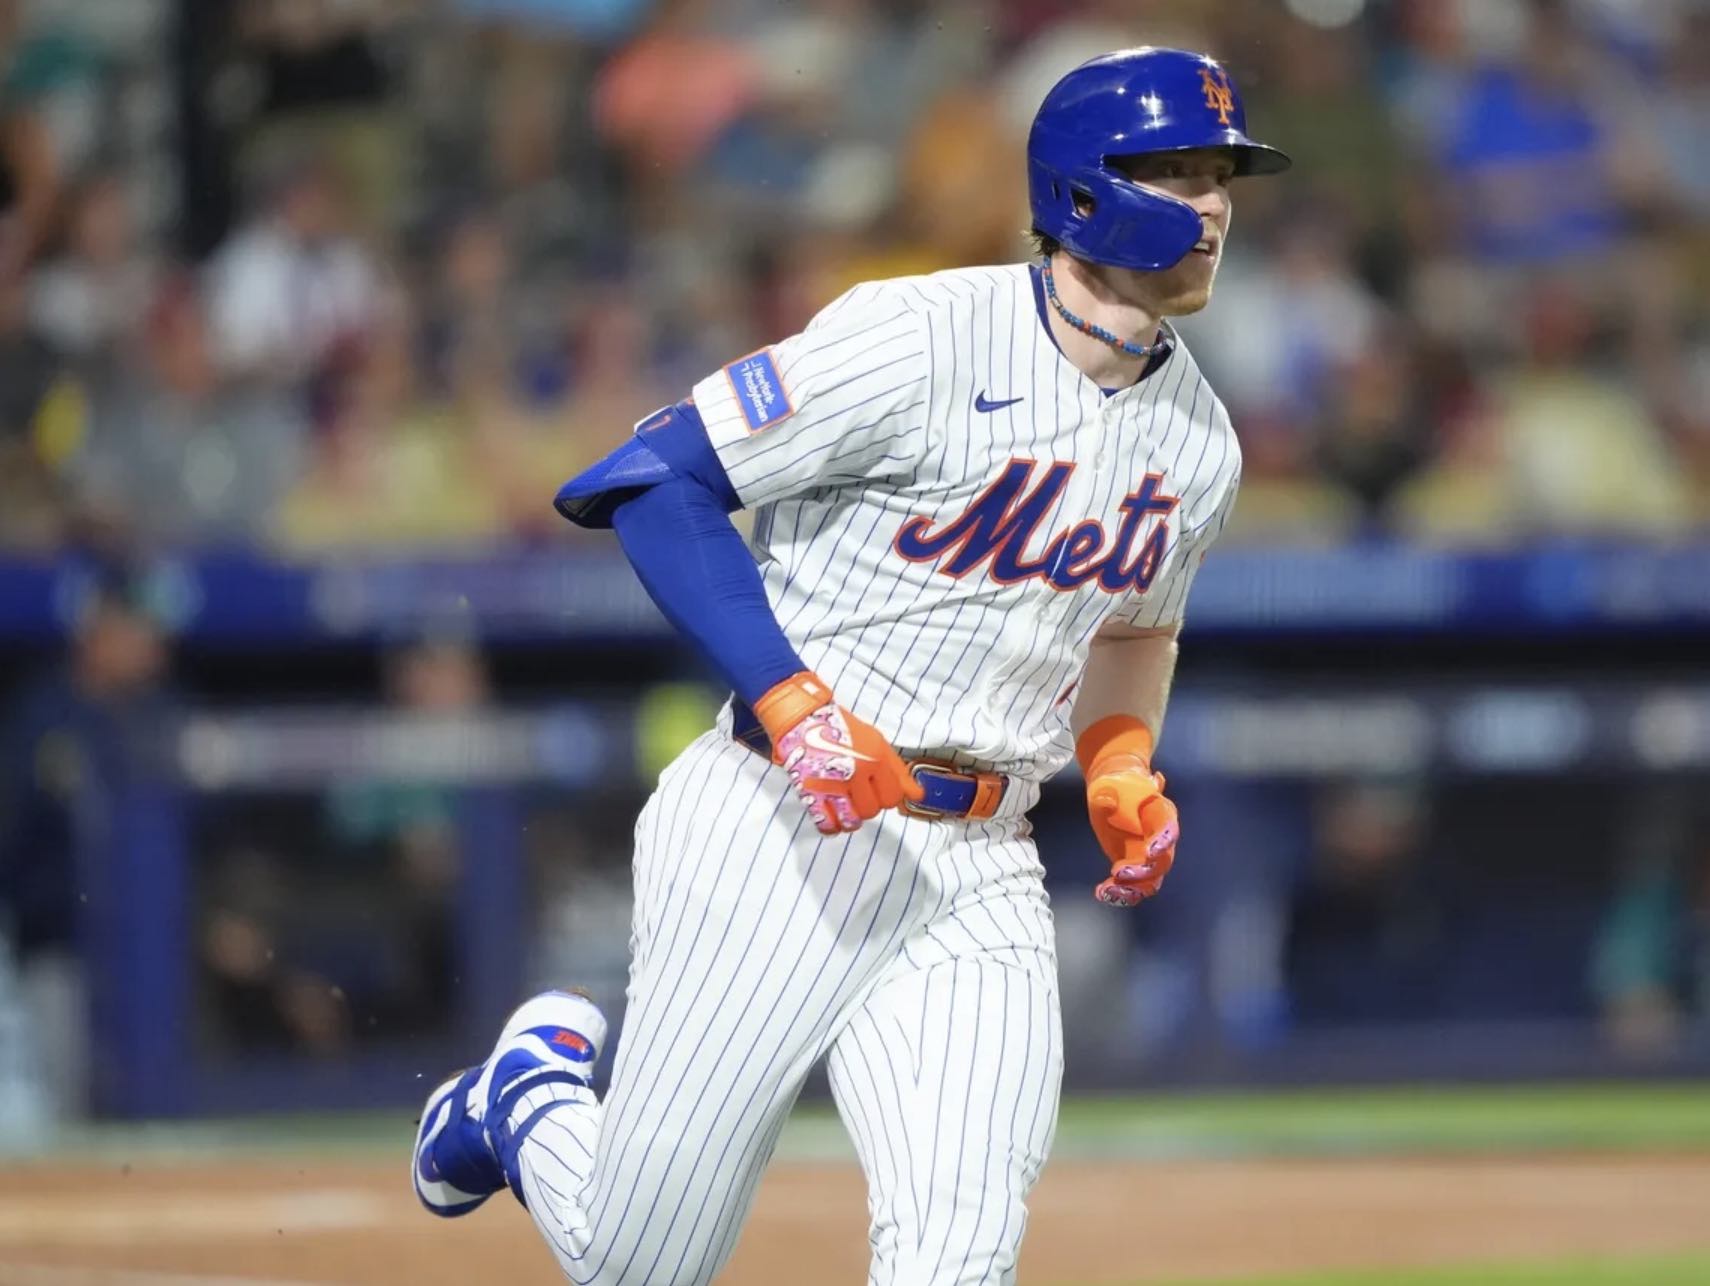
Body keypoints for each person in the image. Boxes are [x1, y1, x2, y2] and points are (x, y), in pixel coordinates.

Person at [411, 47, 1288, 1284]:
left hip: (983, 859)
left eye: (1223, 176)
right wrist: (796, 704)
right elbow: (652, 484)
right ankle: (528, 1100)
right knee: (639, 1263)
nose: (1212, 205)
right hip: (779, 822)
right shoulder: (919, 334)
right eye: (1180, 171)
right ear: (1085, 188)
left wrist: (1119, 759)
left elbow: (1137, 628)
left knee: (957, 1260)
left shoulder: (1201, 440)